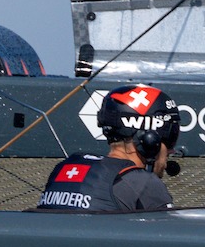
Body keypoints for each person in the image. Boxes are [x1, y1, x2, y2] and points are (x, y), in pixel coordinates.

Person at [32, 85, 179, 212]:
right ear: (149, 140)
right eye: (170, 138)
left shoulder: (63, 171)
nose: (171, 151)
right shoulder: (144, 183)